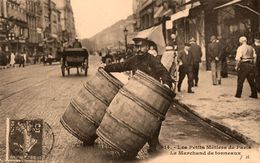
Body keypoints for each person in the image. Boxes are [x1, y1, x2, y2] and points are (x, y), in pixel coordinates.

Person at [103, 38, 174, 153]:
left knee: (155, 118)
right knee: (136, 118)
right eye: (137, 47)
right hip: (137, 94)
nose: (138, 49)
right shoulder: (134, 60)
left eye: (141, 47)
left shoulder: (153, 60)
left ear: (147, 47)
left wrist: (167, 84)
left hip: (151, 94)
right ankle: (131, 142)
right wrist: (106, 67)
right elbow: (121, 66)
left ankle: (154, 143)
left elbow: (164, 72)